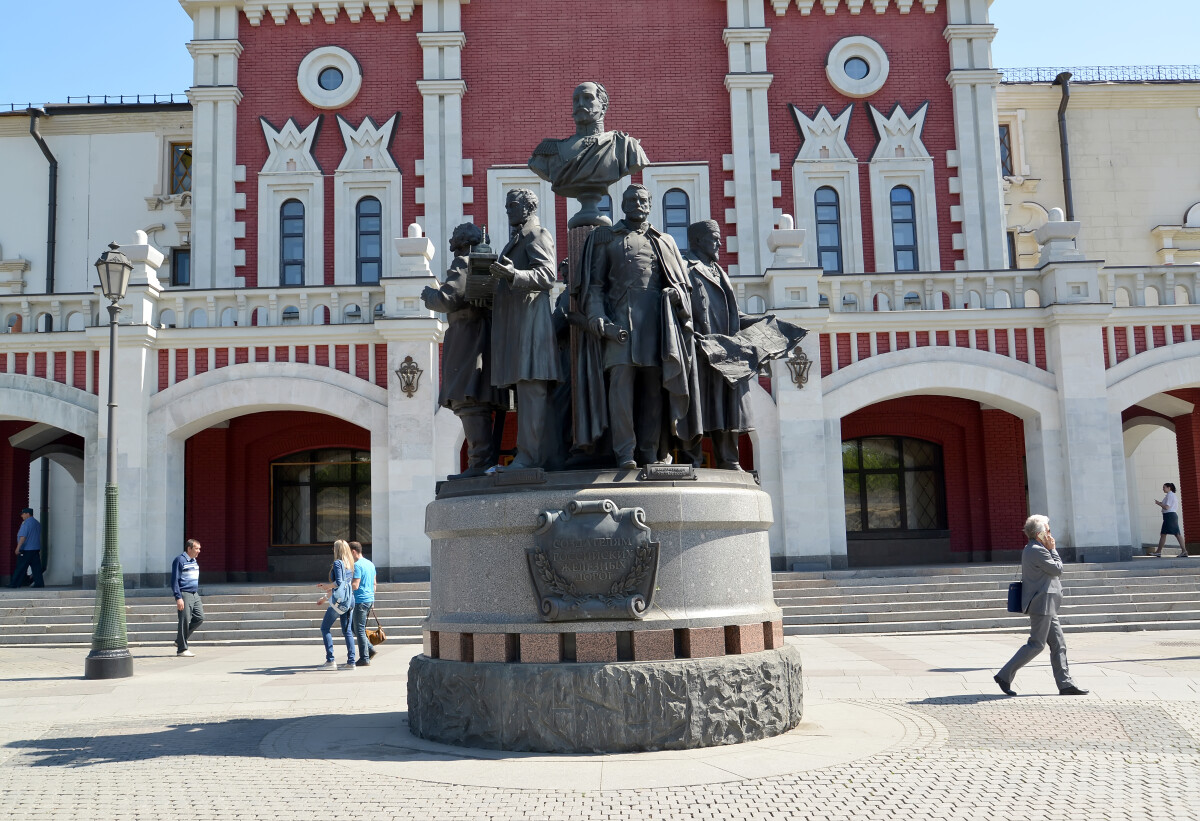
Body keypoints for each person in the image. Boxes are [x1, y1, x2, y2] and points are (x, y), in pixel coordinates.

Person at [583, 183, 701, 467]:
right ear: (622, 206)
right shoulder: (605, 238)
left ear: (650, 204)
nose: (637, 204)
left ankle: (649, 452)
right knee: (620, 391)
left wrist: (676, 297)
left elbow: (683, 287)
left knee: (653, 392)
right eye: (630, 200)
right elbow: (595, 286)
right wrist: (597, 317)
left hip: (656, 327)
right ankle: (624, 452)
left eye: (642, 200)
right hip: (618, 326)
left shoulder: (665, 241)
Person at [421, 223, 505, 479]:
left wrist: (429, 295)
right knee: (475, 397)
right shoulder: (489, 264)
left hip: (467, 339)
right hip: (484, 338)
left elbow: (449, 298)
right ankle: (482, 460)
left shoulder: (463, 262)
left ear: (459, 243)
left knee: (468, 398)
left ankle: (479, 462)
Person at [488, 188, 563, 470]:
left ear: (529, 207)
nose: (508, 210)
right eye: (507, 205)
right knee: (526, 391)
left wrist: (512, 274)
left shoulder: (536, 234)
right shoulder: (518, 238)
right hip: (518, 324)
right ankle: (533, 454)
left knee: (532, 390)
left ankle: (530, 457)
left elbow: (547, 274)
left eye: (513, 205)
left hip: (532, 325)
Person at [681, 220, 754, 470]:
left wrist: (764, 320)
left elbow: (735, 315)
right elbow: (675, 309)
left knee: (726, 406)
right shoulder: (685, 268)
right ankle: (692, 460)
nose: (720, 242)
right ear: (698, 240)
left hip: (725, 352)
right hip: (697, 350)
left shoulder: (720, 272)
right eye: (714, 237)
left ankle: (729, 459)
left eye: (720, 238)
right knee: (695, 406)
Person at [528, 81, 650, 227]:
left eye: (587, 97)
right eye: (576, 99)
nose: (580, 103)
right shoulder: (549, 152)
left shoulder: (625, 146)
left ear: (603, 106)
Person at [994, 515, 1088, 696]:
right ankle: (1004, 675)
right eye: (1048, 531)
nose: (1051, 534)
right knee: (1036, 644)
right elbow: (1058, 569)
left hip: (1047, 603)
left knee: (1059, 644)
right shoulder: (1038, 550)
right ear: (1040, 534)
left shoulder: (1035, 548)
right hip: (1042, 603)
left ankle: (1065, 684)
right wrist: (1053, 550)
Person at [316, 539, 356, 670]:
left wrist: (326, 587)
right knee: (347, 631)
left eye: (334, 548)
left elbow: (338, 583)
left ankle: (330, 660)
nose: (332, 550)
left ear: (337, 550)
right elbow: (344, 586)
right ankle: (351, 662)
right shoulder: (350, 564)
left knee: (325, 628)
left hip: (339, 602)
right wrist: (325, 597)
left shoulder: (338, 563)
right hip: (349, 600)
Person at [170, 539, 204, 657]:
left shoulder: (193, 560)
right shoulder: (180, 560)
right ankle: (182, 649)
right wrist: (178, 597)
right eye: (197, 548)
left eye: (199, 548)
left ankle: (179, 640)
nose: (199, 551)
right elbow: (174, 580)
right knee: (184, 620)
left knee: (200, 617)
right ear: (189, 548)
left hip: (195, 594)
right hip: (185, 593)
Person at [349, 541, 377, 667]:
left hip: (360, 600)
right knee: (354, 628)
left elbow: (355, 584)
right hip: (369, 599)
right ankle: (369, 648)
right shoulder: (370, 564)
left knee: (358, 629)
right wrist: (372, 599)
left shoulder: (357, 565)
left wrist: (342, 586)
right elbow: (374, 584)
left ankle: (364, 657)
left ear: (353, 552)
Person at [1151, 482, 1190, 557]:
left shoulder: (1170, 496)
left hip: (1169, 516)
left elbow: (1166, 507)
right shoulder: (1170, 496)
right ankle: (1184, 551)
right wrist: (1160, 503)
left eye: (1164, 487)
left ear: (1169, 488)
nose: (1163, 489)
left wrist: (1159, 504)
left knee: (1166, 534)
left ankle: (1158, 551)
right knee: (1175, 534)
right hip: (1170, 516)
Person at [9, 507, 44, 588]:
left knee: (20, 567)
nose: (22, 516)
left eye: (23, 514)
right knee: (36, 568)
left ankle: (14, 584)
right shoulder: (37, 523)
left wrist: (18, 548)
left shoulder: (26, 523)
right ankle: (39, 583)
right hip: (35, 549)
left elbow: (23, 537)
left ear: (28, 514)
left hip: (26, 549)